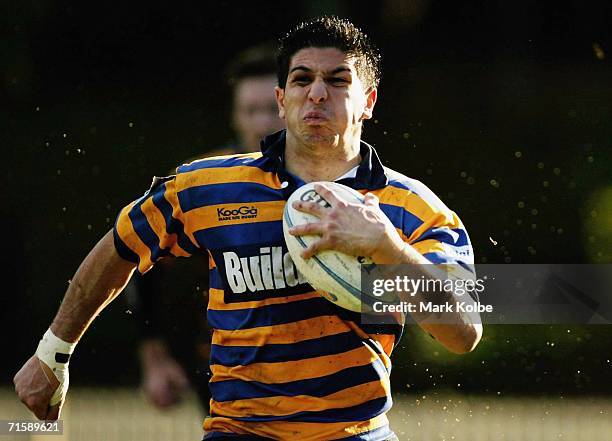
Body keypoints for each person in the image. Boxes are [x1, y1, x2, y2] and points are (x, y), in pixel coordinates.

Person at [15, 16, 482, 440]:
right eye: (302, 80)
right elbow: (122, 245)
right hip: (238, 431)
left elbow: (463, 331)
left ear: (368, 102)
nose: (317, 93)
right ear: (282, 100)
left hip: (357, 431)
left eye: (338, 81)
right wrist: (52, 352)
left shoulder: (409, 206)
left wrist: (387, 247)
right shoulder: (211, 187)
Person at [133, 43, 284, 412]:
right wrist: (155, 360)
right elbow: (139, 265)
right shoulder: (199, 184)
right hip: (225, 374)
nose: (262, 123)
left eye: (272, 110)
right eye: (250, 110)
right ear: (234, 115)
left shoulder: (331, 182)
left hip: (323, 374)